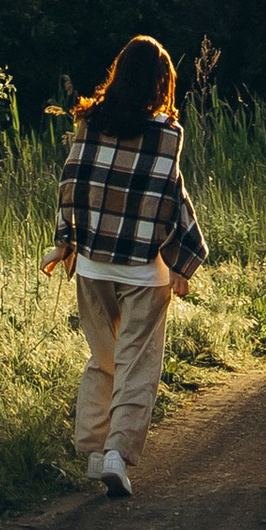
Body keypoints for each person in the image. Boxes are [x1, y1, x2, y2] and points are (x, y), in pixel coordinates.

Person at [43, 33, 209, 499]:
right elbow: (171, 199)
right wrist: (186, 259)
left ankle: (94, 449)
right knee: (137, 365)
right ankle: (117, 454)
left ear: (118, 73)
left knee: (103, 358)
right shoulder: (167, 135)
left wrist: (65, 242)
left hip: (94, 266)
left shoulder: (89, 121)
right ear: (161, 84)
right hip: (144, 271)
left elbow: (72, 183)